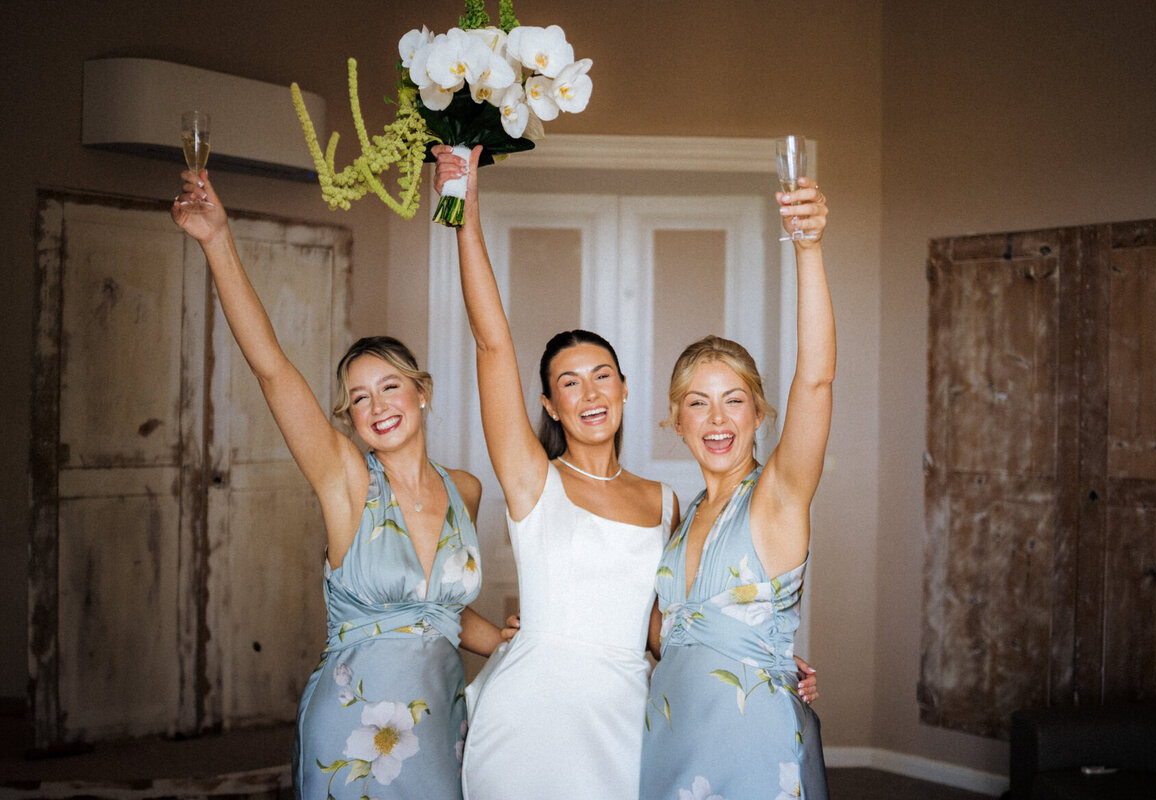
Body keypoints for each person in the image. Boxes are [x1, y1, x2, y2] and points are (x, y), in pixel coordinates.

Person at [432, 147, 819, 799]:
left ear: (627, 389)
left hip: (628, 717)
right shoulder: (533, 480)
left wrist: (761, 660)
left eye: (602, 377)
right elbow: (491, 343)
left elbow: (663, 626)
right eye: (569, 383)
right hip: (531, 711)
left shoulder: (669, 502)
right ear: (550, 404)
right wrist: (465, 211)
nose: (589, 395)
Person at [172, 171, 505, 800]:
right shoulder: (347, 480)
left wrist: (525, 642)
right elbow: (271, 368)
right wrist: (218, 241)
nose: (377, 406)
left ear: (422, 393)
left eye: (390, 387)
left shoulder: (466, 489)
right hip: (353, 731)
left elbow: (442, 615)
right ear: (348, 418)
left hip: (439, 724)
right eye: (358, 398)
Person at [639, 179, 833, 798]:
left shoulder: (776, 495)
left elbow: (817, 380)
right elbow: (664, 631)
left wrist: (808, 248)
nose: (717, 420)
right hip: (671, 736)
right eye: (698, 403)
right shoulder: (683, 514)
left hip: (752, 746)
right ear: (676, 420)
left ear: (759, 413)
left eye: (734, 401)